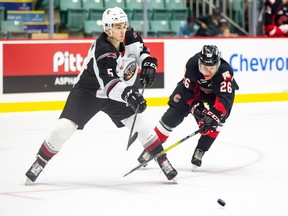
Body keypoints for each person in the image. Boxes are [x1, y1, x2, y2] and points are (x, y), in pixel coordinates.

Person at [25, 7, 178, 184]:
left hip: (119, 92)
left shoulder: (131, 35)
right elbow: (109, 85)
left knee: (142, 125)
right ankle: (40, 162)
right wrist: (129, 94)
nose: (123, 30)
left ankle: (163, 160)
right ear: (107, 29)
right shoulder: (102, 49)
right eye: (118, 27)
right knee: (63, 128)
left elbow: (142, 52)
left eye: (124, 25)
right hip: (88, 92)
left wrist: (148, 63)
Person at [138, 45, 239, 169]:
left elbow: (225, 98)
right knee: (172, 116)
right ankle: (151, 148)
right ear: (199, 63)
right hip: (193, 90)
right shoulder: (192, 64)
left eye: (212, 68)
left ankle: (201, 149)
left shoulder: (225, 71)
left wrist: (214, 115)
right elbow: (189, 91)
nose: (208, 72)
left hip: (215, 94)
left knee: (214, 123)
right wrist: (196, 108)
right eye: (204, 68)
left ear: (218, 64)